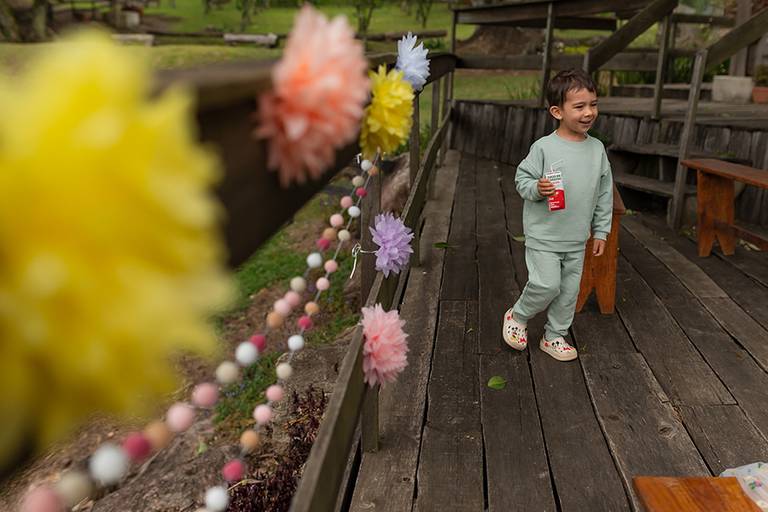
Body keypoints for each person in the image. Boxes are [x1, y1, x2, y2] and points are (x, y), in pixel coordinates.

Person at [502, 68, 613, 362]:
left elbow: (604, 193)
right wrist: (537, 188)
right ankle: (518, 315)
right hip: (544, 234)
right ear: (557, 111)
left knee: (567, 292)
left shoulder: (597, 150)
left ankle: (554, 336)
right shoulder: (544, 148)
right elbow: (521, 180)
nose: (589, 112)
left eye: (593, 104)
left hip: (576, 237)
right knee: (546, 284)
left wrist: (601, 231)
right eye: (579, 106)